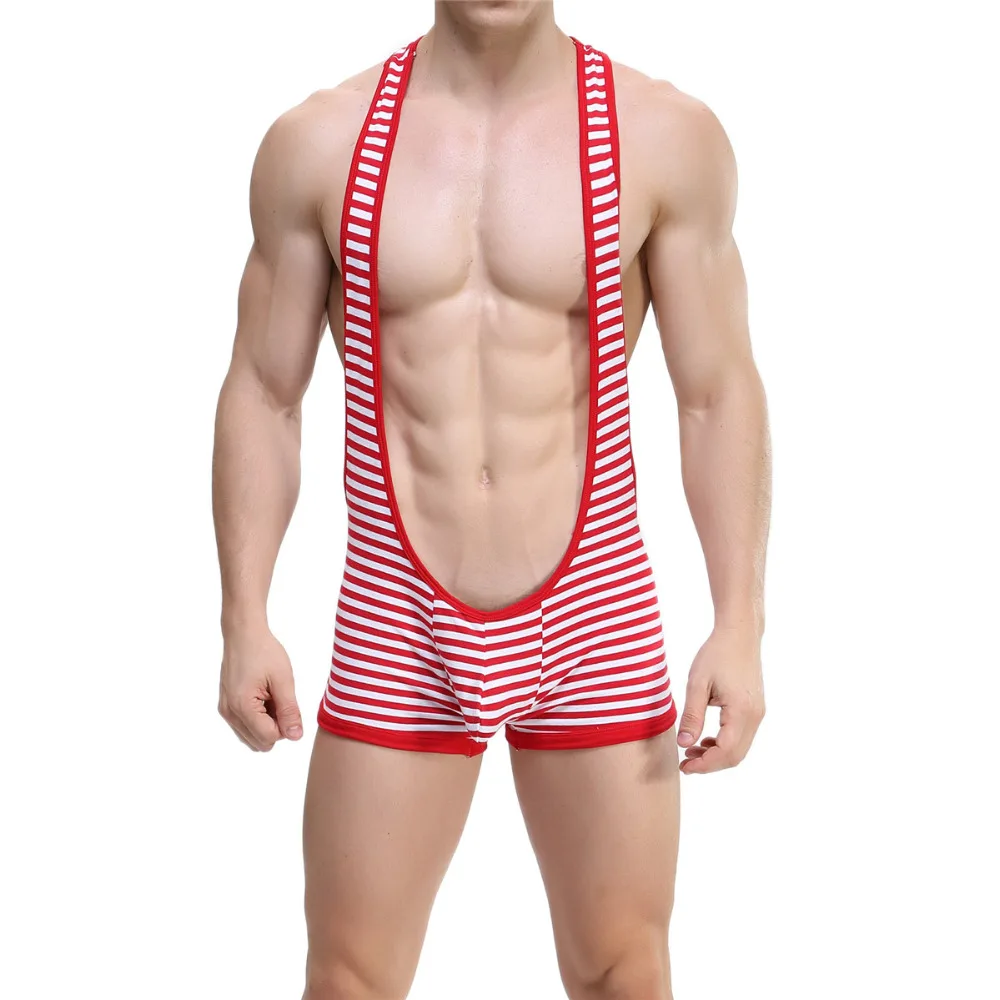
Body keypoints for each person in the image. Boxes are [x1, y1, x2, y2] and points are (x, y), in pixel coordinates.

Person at [211, 2, 770, 997]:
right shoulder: (319, 144)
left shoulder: (662, 136)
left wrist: (740, 625)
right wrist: (243, 618)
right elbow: (263, 388)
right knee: (348, 978)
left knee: (624, 971)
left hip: (594, 605)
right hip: (397, 612)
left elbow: (715, 392)